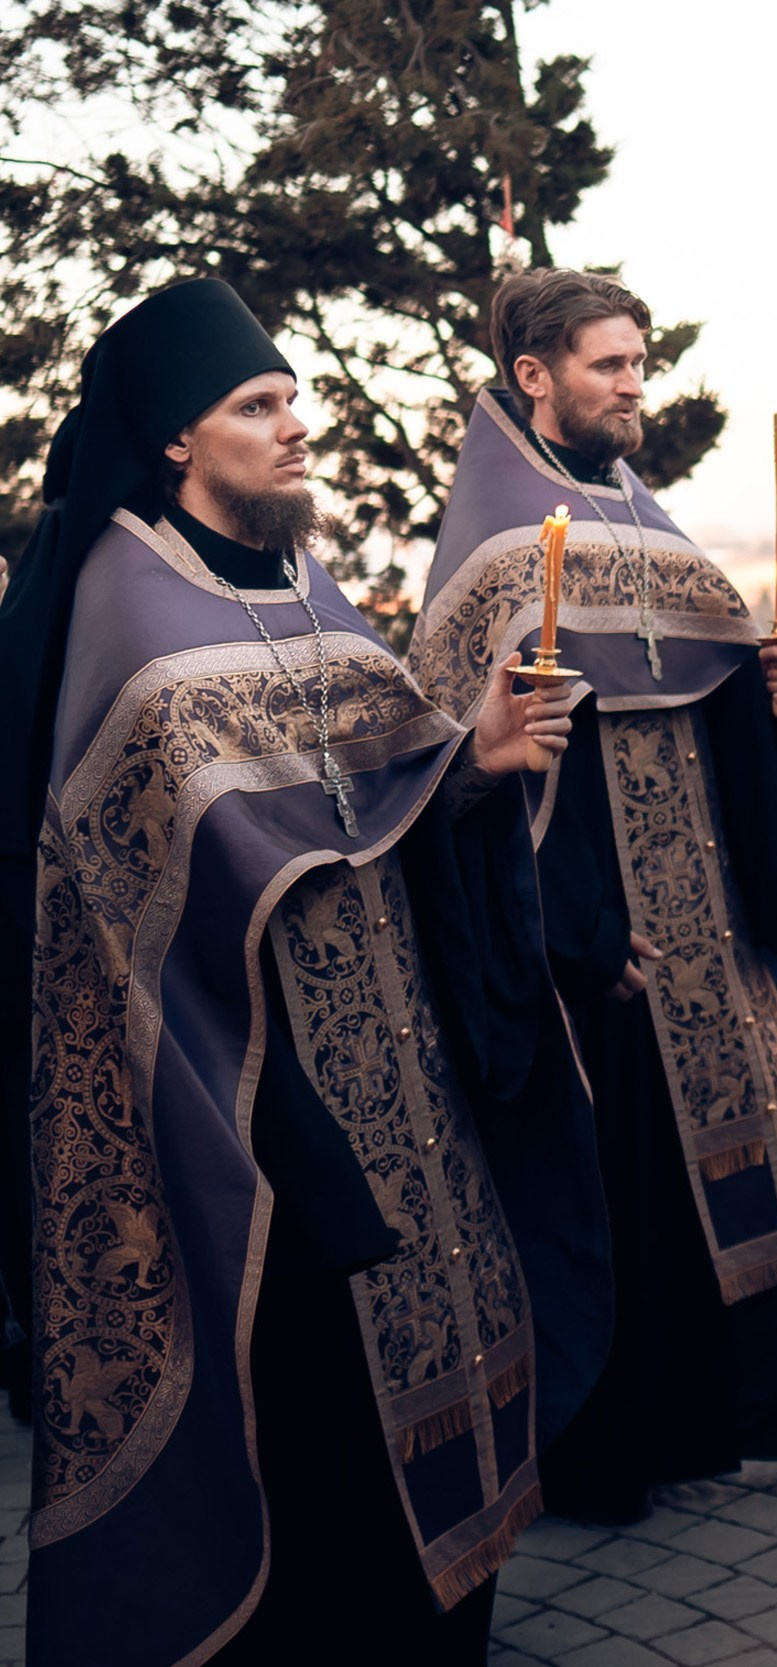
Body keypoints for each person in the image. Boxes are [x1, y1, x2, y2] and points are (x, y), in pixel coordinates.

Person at [0, 278, 609, 1665]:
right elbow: (178, 860)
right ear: (173, 438)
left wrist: (478, 754)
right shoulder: (128, 605)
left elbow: (378, 777)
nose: (293, 428)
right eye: (254, 407)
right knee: (313, 1414)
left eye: (290, 399)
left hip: (405, 1071)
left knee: (447, 1337)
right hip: (247, 1089)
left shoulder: (298, 576)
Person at [410, 268, 777, 1520]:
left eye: (640, 362)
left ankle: (750, 1417)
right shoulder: (498, 541)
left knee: (768, 1150)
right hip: (592, 940)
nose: (635, 385)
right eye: (609, 365)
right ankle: (615, 1453)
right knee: (619, 1189)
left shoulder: (641, 516)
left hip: (705, 927)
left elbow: (697, 690)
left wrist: (765, 698)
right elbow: (476, 756)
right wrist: (576, 931)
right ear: (534, 376)